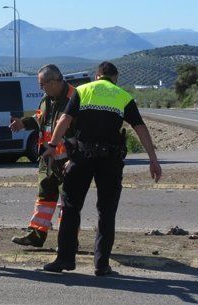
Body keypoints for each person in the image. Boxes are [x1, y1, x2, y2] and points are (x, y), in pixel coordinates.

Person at [40, 61, 162, 276]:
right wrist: (153, 159)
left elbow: (64, 120)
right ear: (115, 78)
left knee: (70, 208)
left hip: (81, 157)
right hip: (110, 161)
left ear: (97, 76)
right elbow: (140, 128)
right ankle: (101, 264)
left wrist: (51, 146)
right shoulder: (123, 96)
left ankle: (65, 260)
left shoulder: (82, 90)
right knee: (106, 212)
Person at [9, 64, 77, 247]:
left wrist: (75, 158)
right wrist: (22, 123)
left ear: (54, 82)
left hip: (67, 161)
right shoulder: (47, 98)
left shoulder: (75, 98)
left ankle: (67, 241)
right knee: (44, 199)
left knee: (68, 204)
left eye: (42, 84)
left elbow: (82, 132)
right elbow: (40, 119)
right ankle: (36, 235)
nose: (40, 88)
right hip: (48, 160)